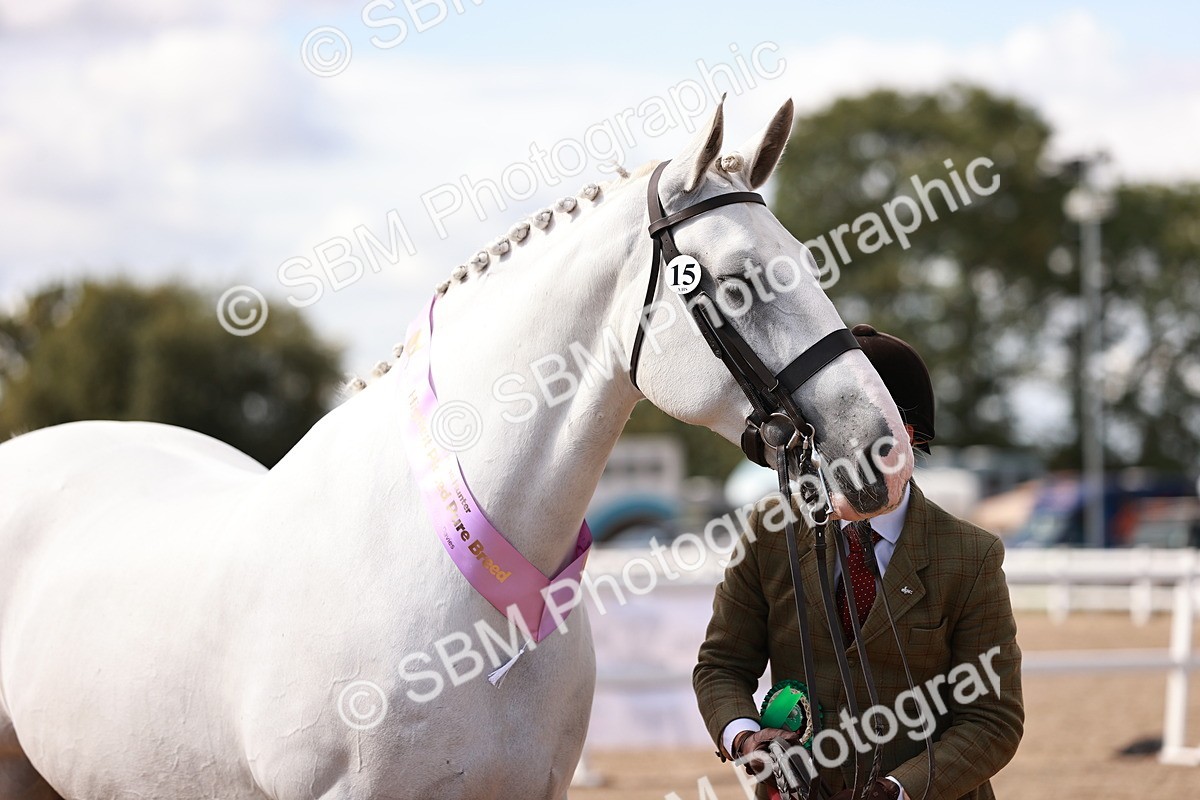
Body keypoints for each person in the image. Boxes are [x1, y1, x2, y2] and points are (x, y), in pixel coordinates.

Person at [693, 324, 1023, 800]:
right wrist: (743, 734)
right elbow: (721, 665)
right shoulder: (770, 531)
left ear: (904, 435)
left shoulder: (971, 556)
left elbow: (993, 720)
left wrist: (897, 790)